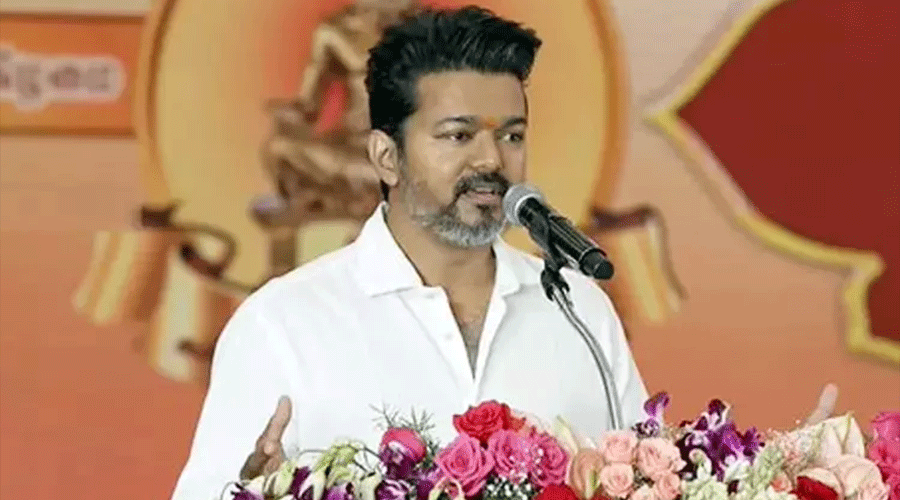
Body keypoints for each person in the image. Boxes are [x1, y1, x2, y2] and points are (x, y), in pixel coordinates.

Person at [170, 7, 837, 499]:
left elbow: (647, 479)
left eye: (512, 135)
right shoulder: (284, 325)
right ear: (386, 156)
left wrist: (769, 480)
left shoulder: (576, 309)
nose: (492, 160)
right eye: (458, 136)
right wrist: (246, 489)